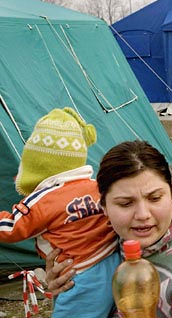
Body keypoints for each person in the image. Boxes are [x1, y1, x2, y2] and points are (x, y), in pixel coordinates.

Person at [46, 140, 172, 318]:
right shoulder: (100, 242)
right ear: (104, 208)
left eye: (154, 198)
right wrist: (67, 291)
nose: (143, 214)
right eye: (126, 204)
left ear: (171, 194)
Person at [0, 107, 119, 318]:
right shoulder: (96, 186)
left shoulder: (45, 199)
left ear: (36, 163)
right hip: (114, 261)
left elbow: (9, 229)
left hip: (79, 275)